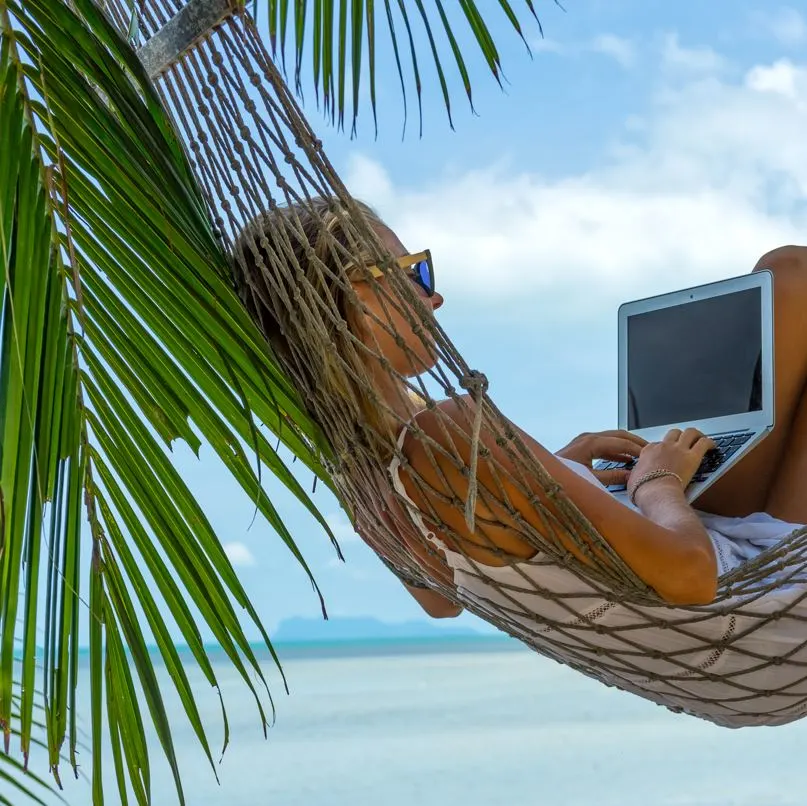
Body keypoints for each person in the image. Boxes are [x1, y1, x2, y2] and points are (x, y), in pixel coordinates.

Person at [236, 198, 807, 727]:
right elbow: (690, 577)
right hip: (768, 622)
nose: (434, 297)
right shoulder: (453, 430)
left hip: (724, 664)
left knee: (785, 279)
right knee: (796, 276)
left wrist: (552, 473)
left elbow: (440, 597)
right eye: (415, 272)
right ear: (350, 298)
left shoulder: (360, 471)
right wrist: (658, 481)